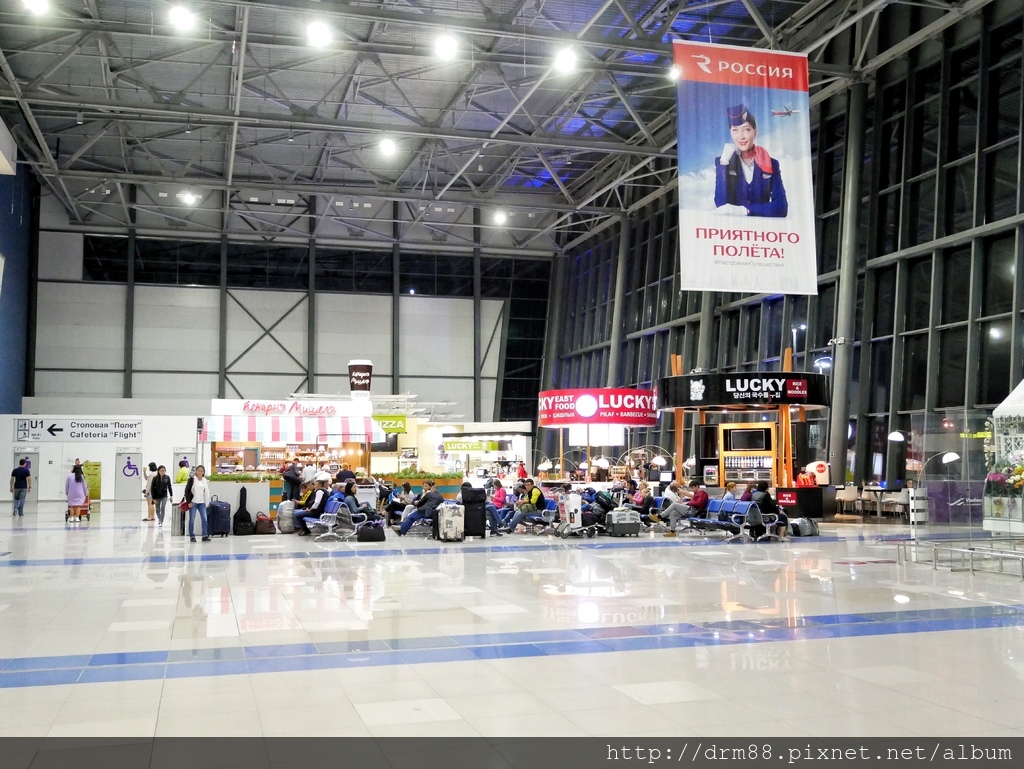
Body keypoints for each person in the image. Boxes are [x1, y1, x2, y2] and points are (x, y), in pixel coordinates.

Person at [714, 104, 788, 218]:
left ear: (755, 132)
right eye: (735, 130)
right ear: (730, 133)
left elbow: (781, 208)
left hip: (762, 231)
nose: (741, 136)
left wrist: (745, 210)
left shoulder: (771, 163)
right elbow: (721, 204)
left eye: (746, 129)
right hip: (733, 231)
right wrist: (723, 163)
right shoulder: (724, 162)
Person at [184, 465, 212, 543]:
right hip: (193, 502)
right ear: (196, 471)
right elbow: (187, 491)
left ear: (203, 472)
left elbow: (206, 492)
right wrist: (188, 501)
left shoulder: (204, 480)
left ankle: (204, 535)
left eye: (201, 471)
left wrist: (207, 501)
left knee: (204, 519)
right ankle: (192, 536)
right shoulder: (192, 480)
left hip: (202, 502)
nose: (200, 472)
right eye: (198, 470)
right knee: (192, 520)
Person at [150, 465, 173, 530]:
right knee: (157, 509)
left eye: (164, 470)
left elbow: (169, 487)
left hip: (164, 495)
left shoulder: (167, 477)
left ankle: (161, 521)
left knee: (163, 507)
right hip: (157, 496)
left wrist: (171, 495)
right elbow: (152, 488)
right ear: (158, 471)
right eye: (161, 470)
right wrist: (153, 498)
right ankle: (159, 518)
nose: (162, 472)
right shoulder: (155, 478)